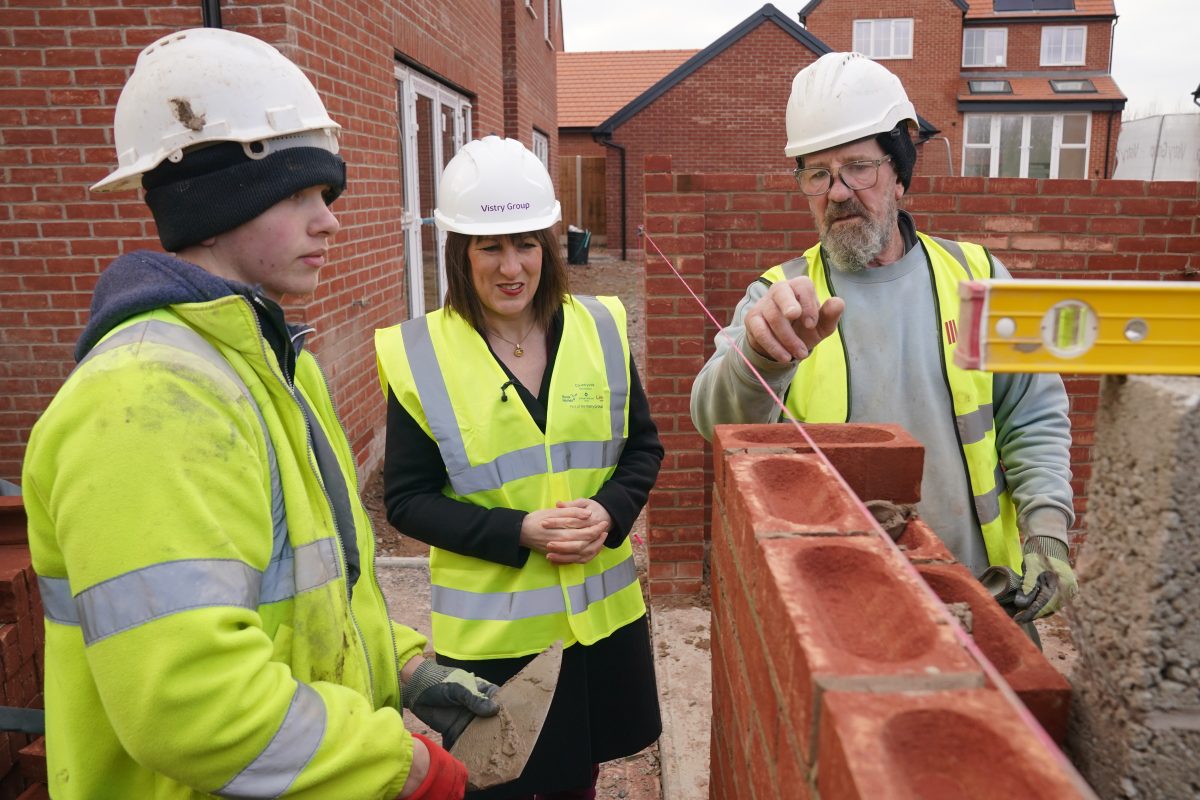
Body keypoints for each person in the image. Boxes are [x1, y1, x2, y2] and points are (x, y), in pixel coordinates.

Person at [22, 28, 499, 799]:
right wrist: (403, 767)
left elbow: (307, 597)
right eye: (300, 193)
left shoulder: (276, 364)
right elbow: (192, 704)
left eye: (328, 195)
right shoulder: (149, 397)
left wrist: (405, 666)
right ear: (214, 200)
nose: (331, 221)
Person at [690, 52, 1077, 626]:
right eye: (817, 173)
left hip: (981, 591)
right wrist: (760, 355)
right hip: (840, 600)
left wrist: (1046, 526)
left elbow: (1034, 416)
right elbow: (709, 416)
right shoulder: (779, 297)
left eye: (858, 167)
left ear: (899, 167)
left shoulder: (978, 277)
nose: (838, 191)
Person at [375, 135, 663, 799]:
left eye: (526, 243)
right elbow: (409, 499)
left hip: (599, 625)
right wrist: (519, 531)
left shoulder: (598, 328)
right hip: (500, 638)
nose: (512, 266)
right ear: (460, 252)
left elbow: (642, 448)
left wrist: (611, 510)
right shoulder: (423, 356)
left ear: (548, 247)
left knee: (578, 776)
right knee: (503, 782)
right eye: (490, 246)